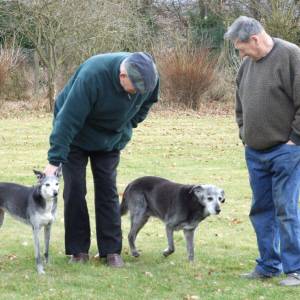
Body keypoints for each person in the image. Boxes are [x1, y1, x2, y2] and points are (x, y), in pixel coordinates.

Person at [44, 52, 159, 268]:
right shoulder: (93, 76)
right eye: (134, 89)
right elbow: (67, 121)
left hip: (110, 139)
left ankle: (111, 250)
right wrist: (54, 160)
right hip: (76, 135)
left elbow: (148, 102)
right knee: (75, 189)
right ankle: (78, 250)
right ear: (122, 75)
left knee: (107, 190)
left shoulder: (149, 76)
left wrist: (128, 123)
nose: (136, 94)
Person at [224, 16, 300, 286]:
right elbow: (239, 104)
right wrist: (244, 132)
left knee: (286, 210)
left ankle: (296, 270)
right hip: (255, 153)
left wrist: (294, 140)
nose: (240, 53)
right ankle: (268, 265)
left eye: (241, 47)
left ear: (254, 39)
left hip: (286, 151)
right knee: (261, 210)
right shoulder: (247, 66)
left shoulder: (291, 56)